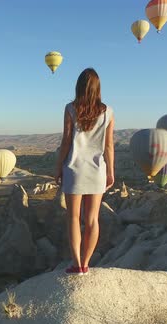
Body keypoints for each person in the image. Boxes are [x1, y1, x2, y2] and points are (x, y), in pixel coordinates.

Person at [55, 68, 115, 275]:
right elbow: (109, 146)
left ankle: (76, 264)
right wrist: (111, 171)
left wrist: (58, 166)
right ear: (98, 88)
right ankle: (86, 264)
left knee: (73, 218)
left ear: (79, 86)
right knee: (92, 219)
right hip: (98, 170)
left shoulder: (70, 108)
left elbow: (65, 141)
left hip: (74, 168)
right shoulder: (108, 111)